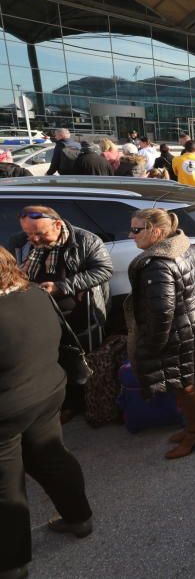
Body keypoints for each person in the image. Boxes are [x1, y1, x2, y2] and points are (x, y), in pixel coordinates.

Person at [0, 246, 94, 578]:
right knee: (52, 458)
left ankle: (11, 563)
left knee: (5, 487)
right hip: (48, 393)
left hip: (7, 413)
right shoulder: (35, 295)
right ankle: (79, 518)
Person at [125, 208, 195, 459]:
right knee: (186, 382)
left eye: (136, 230)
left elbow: (161, 313)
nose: (131, 235)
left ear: (155, 231)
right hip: (194, 325)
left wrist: (151, 346)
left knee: (183, 385)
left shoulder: (158, 265)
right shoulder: (183, 246)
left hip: (179, 332)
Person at [10, 205, 113, 420]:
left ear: (57, 225)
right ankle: (64, 403)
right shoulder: (21, 241)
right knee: (52, 361)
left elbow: (103, 270)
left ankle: (84, 403)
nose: (34, 240)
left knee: (80, 360)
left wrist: (61, 287)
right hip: (40, 316)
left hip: (78, 315)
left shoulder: (86, 240)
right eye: (29, 234)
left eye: (40, 233)